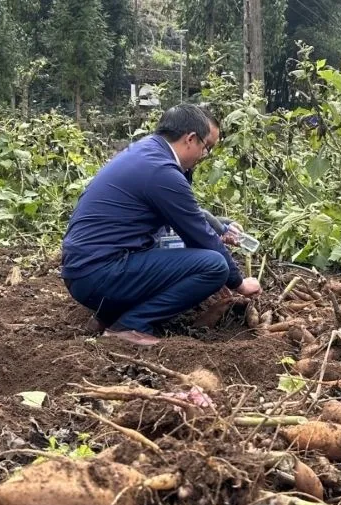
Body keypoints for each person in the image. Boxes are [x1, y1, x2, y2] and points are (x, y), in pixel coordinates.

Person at [60, 104, 261, 346]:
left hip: (86, 271)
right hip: (99, 275)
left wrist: (221, 226)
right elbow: (198, 234)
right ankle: (130, 325)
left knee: (173, 248)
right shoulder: (161, 171)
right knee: (214, 266)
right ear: (190, 139)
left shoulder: (146, 153)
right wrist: (239, 283)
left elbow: (189, 213)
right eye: (207, 148)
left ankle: (108, 315)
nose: (204, 156)